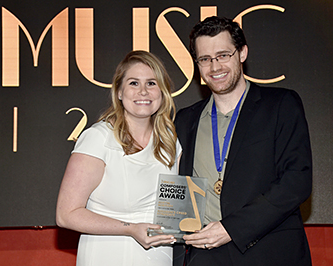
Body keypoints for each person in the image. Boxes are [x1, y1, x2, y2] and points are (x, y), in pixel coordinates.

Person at [174, 16, 312, 266]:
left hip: (269, 252)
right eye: (205, 59)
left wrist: (231, 228)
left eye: (223, 55)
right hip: (204, 255)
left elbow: (297, 180)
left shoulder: (281, 105)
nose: (214, 67)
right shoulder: (184, 119)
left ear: (242, 53)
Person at [56, 50, 182, 266]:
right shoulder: (99, 138)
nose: (143, 91)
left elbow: (176, 207)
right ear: (120, 92)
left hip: (159, 256)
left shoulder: (170, 140)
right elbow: (66, 214)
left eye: (151, 83)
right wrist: (130, 229)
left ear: (162, 92)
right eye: (134, 83)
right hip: (107, 255)